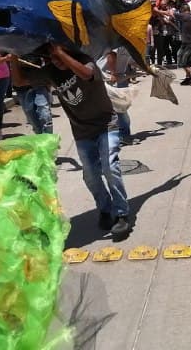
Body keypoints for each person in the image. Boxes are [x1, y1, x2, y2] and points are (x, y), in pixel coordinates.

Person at [22, 44, 131, 238]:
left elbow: (86, 74)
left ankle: (122, 213)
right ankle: (105, 209)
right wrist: (11, 57)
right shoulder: (50, 71)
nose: (57, 62)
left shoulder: (86, 62)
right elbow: (19, 80)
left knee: (109, 167)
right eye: (52, 58)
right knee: (90, 175)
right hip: (82, 131)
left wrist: (61, 53)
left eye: (60, 56)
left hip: (106, 124)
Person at [9, 55, 53, 135]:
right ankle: (40, 138)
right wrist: (11, 59)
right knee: (32, 119)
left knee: (45, 113)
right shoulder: (10, 46)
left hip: (40, 84)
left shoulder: (35, 43)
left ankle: (48, 139)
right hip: (23, 88)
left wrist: (49, 80)